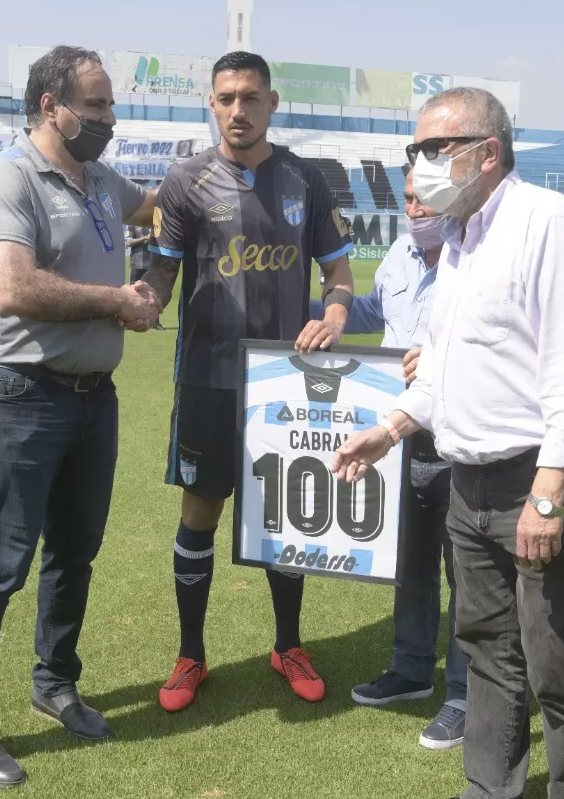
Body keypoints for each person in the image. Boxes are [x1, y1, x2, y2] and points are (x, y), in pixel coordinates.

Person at [331, 87, 564, 799]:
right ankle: (492, 788)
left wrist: (549, 498)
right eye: (414, 152)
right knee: (489, 652)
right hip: (470, 481)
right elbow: (441, 365)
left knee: (556, 662)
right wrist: (390, 428)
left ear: (486, 153)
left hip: (543, 480)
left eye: (433, 150)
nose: (418, 167)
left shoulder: (548, 226)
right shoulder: (461, 239)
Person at [0, 45, 159, 789]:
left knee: (74, 554)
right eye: (95, 105)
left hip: (94, 397)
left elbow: (160, 208)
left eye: (109, 104)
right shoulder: (8, 175)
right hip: (20, 397)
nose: (109, 117)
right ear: (49, 105)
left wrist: (162, 266)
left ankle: (54, 683)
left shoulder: (99, 179)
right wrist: (118, 302)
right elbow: (14, 287)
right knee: (0, 566)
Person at [139, 51, 355, 713]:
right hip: (207, 380)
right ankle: (190, 655)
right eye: (227, 97)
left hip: (284, 384)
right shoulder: (184, 182)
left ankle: (288, 644)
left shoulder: (307, 180)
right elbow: (163, 271)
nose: (239, 109)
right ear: (212, 103)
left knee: (285, 515)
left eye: (251, 97)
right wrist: (143, 299)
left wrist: (338, 312)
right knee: (200, 510)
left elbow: (338, 271)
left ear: (272, 103)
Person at [308, 169, 467, 750]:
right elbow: (377, 308)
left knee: (466, 574)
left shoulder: (473, 253)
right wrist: (314, 312)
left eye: (427, 199)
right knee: (411, 561)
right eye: (408, 200)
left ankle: (465, 695)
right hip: (398, 434)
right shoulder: (401, 252)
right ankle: (411, 669)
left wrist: (443, 355)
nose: (417, 209)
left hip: (460, 439)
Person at [125, 219, 163, 330]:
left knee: (153, 292)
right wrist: (144, 238)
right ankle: (130, 320)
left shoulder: (154, 224)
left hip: (152, 264)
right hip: (137, 263)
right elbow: (128, 242)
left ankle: (155, 322)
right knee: (132, 293)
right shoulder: (132, 225)